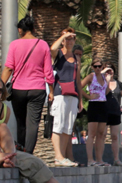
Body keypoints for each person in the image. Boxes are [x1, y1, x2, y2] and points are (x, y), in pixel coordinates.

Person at [0, 107, 102, 183]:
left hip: (5, 153)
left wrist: (7, 157)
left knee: (32, 161)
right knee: (28, 164)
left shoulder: (5, 110)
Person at [1, 15, 54, 153]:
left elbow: (8, 68)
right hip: (37, 90)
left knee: (21, 123)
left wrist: (1, 86)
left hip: (18, 89)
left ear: (20, 30)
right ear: (33, 29)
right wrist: (51, 91)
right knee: (33, 124)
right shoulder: (43, 45)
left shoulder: (14, 44)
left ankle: (20, 153)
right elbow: (48, 72)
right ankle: (29, 154)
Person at [48, 28, 82, 166]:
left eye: (71, 38)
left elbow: (78, 81)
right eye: (66, 38)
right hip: (59, 93)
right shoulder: (58, 54)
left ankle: (61, 157)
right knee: (58, 125)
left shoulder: (76, 58)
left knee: (68, 127)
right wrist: (63, 36)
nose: (69, 40)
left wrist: (80, 100)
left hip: (73, 94)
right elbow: (52, 48)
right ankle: (58, 155)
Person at [81, 59, 110, 166]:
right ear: (92, 67)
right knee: (92, 134)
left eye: (99, 66)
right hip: (94, 104)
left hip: (103, 104)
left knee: (101, 134)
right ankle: (90, 160)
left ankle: (99, 159)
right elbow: (79, 86)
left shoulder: (104, 77)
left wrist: (108, 80)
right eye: (95, 66)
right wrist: (88, 96)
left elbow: (106, 91)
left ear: (102, 67)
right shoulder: (91, 76)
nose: (97, 68)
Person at [103, 65, 122, 166]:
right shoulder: (101, 82)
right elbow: (102, 93)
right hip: (103, 111)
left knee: (114, 136)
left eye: (111, 70)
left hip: (115, 112)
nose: (109, 72)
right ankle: (100, 159)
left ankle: (116, 159)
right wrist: (106, 80)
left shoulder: (119, 83)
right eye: (107, 70)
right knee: (102, 135)